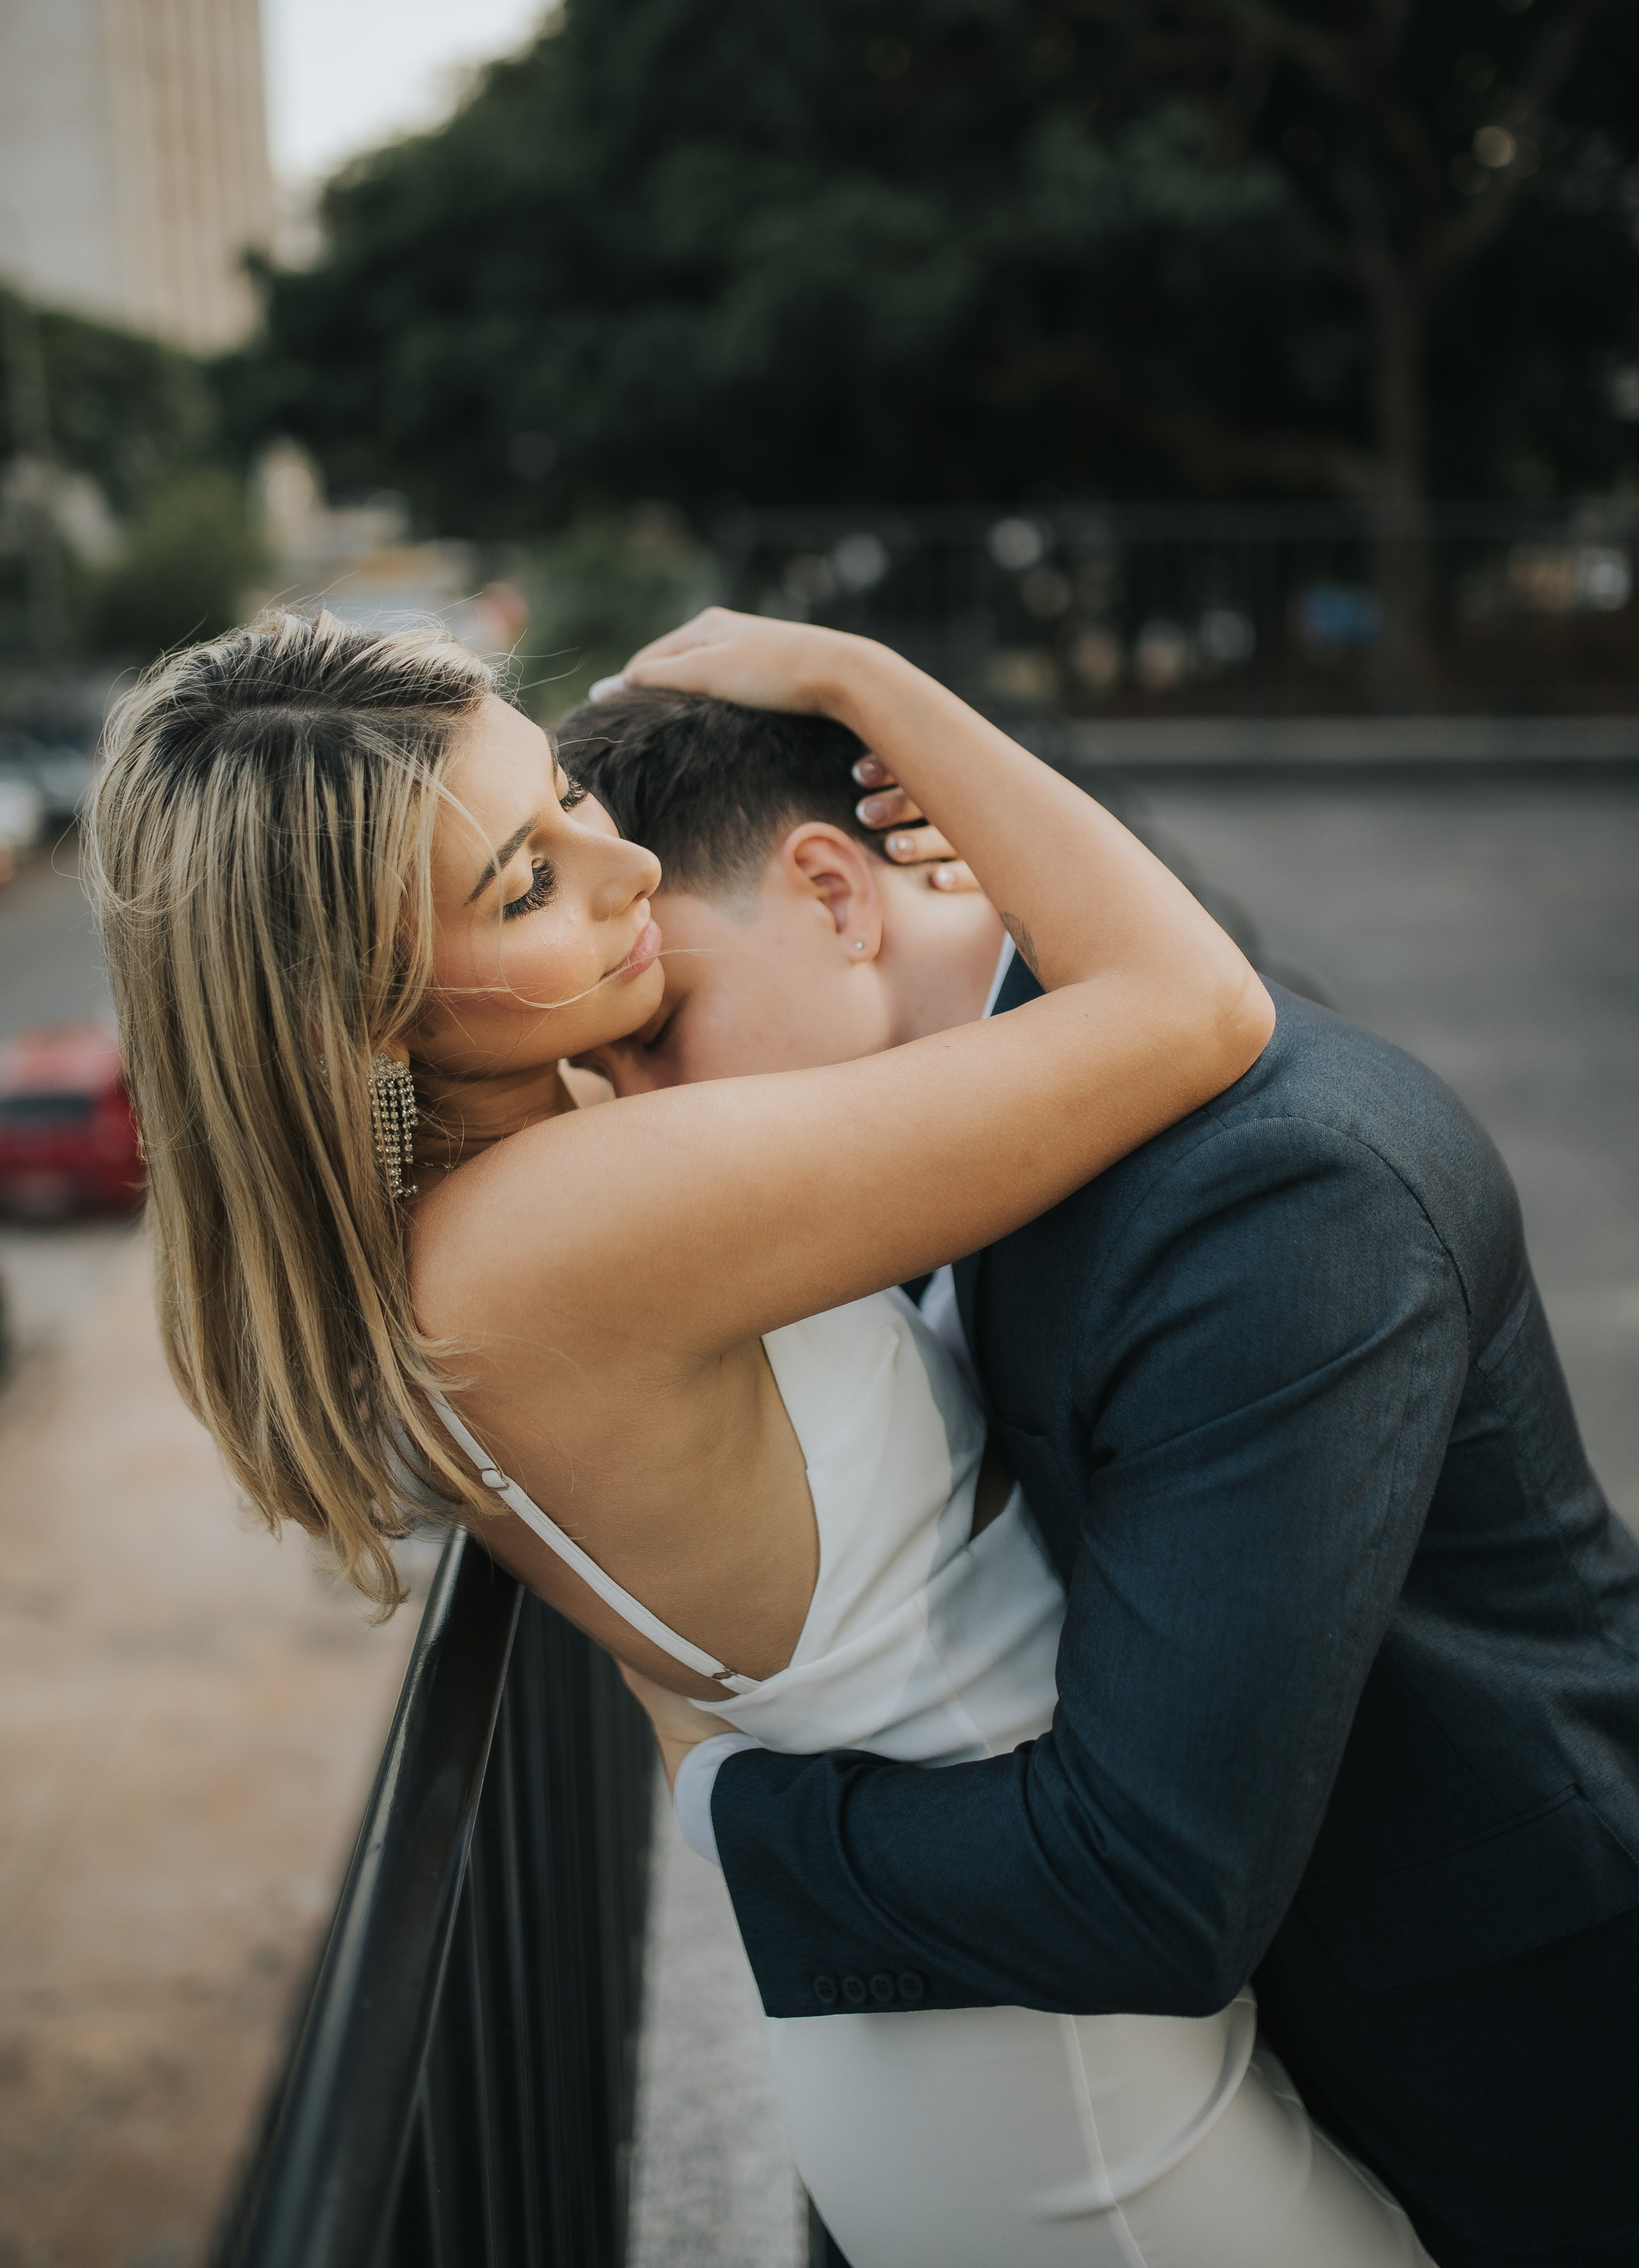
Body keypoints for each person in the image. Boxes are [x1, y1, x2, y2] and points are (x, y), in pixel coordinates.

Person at [84, 604, 1432, 2268]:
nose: (629, 871)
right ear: (365, 1016)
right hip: (1056, 2091)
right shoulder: (568, 1226)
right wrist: (868, 682)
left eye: (567, 795)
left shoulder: (500, 1198)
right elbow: (1195, 1007)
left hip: (988, 2019)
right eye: (527, 883)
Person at [560, 652, 1639, 2268]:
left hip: (1506, 2062)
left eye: (657, 1030)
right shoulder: (922, 1139)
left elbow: (1153, 1881)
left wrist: (730, 1801)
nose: (637, 1115)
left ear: (835, 892)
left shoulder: (1271, 1196)